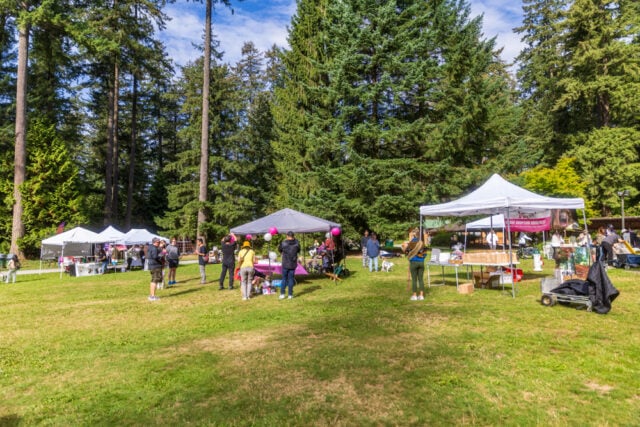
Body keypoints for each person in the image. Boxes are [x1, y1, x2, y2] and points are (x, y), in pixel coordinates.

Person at [278, 231, 301, 299]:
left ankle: (282, 294)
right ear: (293, 236)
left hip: (285, 263)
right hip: (293, 264)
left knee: (284, 278)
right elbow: (299, 250)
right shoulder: (297, 243)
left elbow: (279, 249)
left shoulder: (283, 243)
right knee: (291, 279)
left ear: (287, 236)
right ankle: (290, 295)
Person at [405, 229, 426, 301]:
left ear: (415, 235)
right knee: (421, 279)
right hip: (421, 262)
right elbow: (425, 254)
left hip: (413, 262)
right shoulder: (422, 243)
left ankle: (414, 296)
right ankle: (421, 295)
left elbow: (407, 252)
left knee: (414, 280)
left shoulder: (412, 242)